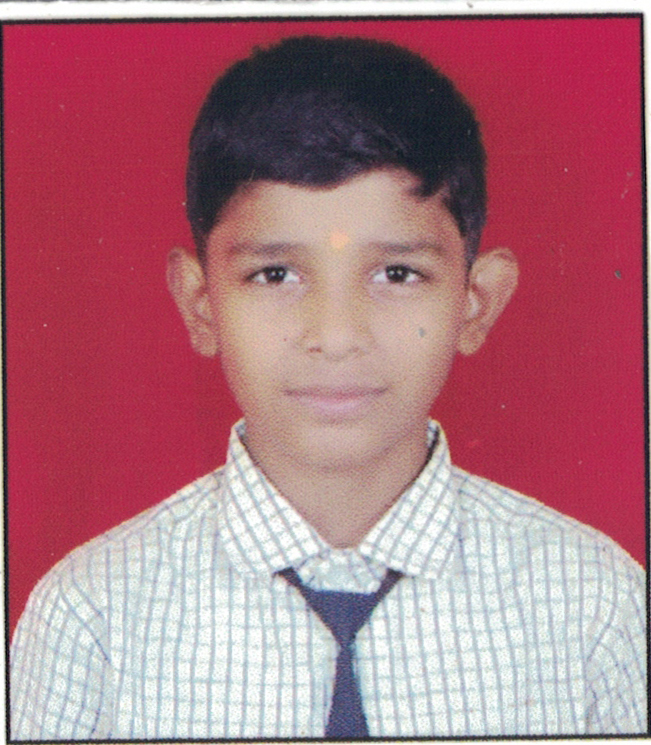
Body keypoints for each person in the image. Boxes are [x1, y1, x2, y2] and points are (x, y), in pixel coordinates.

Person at [10, 35, 646, 740]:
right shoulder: (93, 618)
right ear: (200, 303)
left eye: (397, 274)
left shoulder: (595, 606)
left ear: (476, 302)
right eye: (275, 274)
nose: (336, 336)